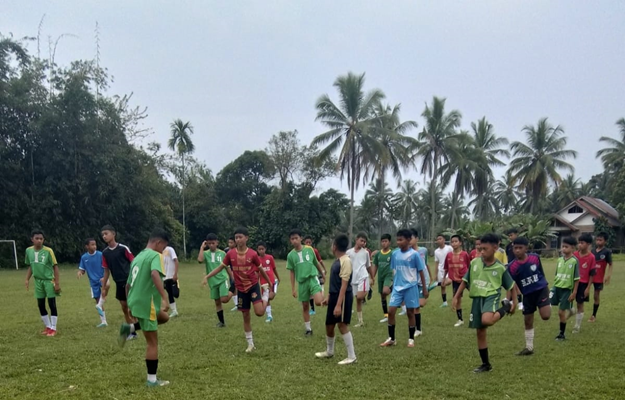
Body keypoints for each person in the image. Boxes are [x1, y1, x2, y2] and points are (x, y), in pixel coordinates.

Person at [452, 233, 516, 373]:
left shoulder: (499, 267)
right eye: (480, 248)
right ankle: (486, 364)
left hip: (491, 296)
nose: (481, 252)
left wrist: (514, 303)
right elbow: (465, 280)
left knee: (486, 320)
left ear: (495, 248)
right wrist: (456, 296)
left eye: (485, 249)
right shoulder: (475, 262)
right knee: (480, 332)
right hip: (477, 298)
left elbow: (511, 285)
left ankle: (505, 308)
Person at [204, 227, 273, 352]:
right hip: (240, 288)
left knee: (259, 313)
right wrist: (207, 276)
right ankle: (250, 344)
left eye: (240, 237)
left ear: (246, 238)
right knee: (245, 315)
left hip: (252, 286)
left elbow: (261, 269)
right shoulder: (230, 254)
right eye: (236, 237)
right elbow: (221, 267)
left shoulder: (252, 254)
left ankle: (266, 293)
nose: (238, 239)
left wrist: (269, 284)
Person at [117, 229, 171, 387]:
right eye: (163, 247)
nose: (163, 251)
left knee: (164, 317)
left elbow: (128, 284)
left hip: (134, 300)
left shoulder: (138, 257)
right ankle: (152, 380)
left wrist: (129, 304)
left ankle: (130, 328)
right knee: (152, 343)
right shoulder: (155, 256)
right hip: (146, 303)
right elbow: (155, 274)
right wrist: (165, 298)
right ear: (158, 243)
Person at [379, 229, 429, 348]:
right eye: (397, 240)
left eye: (401, 240)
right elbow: (394, 270)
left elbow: (421, 271)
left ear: (408, 240)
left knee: (410, 313)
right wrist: (391, 284)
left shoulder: (414, 254)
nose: (398, 242)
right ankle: (392, 338)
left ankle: (411, 339)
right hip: (397, 288)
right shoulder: (395, 254)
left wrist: (425, 288)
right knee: (391, 311)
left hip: (411, 287)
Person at [315, 233, 357, 365]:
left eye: (332, 244)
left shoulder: (346, 261)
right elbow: (335, 283)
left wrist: (339, 305)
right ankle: (329, 351)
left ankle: (352, 356)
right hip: (334, 296)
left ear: (335, 246)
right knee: (329, 325)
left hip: (343, 297)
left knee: (342, 324)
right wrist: (329, 297)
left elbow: (344, 285)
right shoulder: (337, 261)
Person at [506, 237, 551, 356]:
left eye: (520, 248)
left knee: (546, 316)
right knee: (528, 321)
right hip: (527, 294)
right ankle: (529, 348)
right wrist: (509, 300)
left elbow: (541, 272)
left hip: (541, 290)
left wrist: (545, 285)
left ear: (526, 248)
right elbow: (511, 285)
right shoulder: (512, 267)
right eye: (515, 248)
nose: (517, 251)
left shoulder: (534, 258)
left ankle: (546, 302)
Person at [101, 225, 137, 340]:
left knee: (131, 307)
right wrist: (103, 287)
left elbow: (134, 262)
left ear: (113, 234)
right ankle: (132, 332)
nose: (104, 236)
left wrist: (135, 277)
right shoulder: (105, 253)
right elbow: (106, 270)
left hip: (129, 281)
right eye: (103, 234)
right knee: (124, 307)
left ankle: (138, 326)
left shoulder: (123, 248)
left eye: (106, 233)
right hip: (118, 283)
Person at [287, 229, 325, 335]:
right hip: (302, 282)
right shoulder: (290, 255)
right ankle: (308, 329)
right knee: (305, 306)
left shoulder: (309, 250)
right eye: (292, 239)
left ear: (301, 238)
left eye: (296, 238)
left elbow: (316, 263)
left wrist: (322, 273)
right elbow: (292, 272)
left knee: (318, 302)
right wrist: (293, 288)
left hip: (312, 278)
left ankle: (328, 298)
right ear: (290, 241)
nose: (294, 241)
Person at [25, 229, 61, 337]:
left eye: (41, 239)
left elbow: (55, 267)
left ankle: (54, 328)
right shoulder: (28, 251)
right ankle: (48, 326)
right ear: (32, 239)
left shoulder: (49, 251)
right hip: (38, 281)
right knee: (40, 304)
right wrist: (27, 279)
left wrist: (57, 283)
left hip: (49, 281)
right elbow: (31, 266)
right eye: (37, 238)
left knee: (51, 304)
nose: (39, 241)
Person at [198, 233, 233, 327]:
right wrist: (202, 247)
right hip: (212, 282)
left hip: (222, 279)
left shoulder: (222, 253)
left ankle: (233, 290)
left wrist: (233, 279)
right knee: (217, 302)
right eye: (209, 243)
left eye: (213, 243)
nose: (211, 245)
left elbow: (227, 267)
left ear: (217, 242)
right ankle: (222, 322)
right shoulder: (206, 253)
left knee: (224, 299)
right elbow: (200, 260)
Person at [550, 237, 580, 341]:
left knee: (560, 312)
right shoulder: (559, 260)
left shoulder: (575, 261)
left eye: (566, 247)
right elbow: (556, 274)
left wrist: (574, 292)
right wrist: (553, 287)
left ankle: (562, 334)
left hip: (567, 289)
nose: (563, 249)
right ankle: (571, 309)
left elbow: (576, 279)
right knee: (548, 304)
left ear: (572, 248)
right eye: (562, 246)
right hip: (557, 287)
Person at [77, 238, 109, 327]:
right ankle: (103, 321)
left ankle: (100, 303)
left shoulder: (100, 255)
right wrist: (80, 272)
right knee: (98, 300)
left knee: (107, 285)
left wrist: (104, 277)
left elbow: (106, 267)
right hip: (93, 282)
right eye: (92, 245)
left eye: (95, 244)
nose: (94, 246)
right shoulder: (84, 257)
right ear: (87, 246)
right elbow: (82, 270)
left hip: (102, 278)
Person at [442, 234, 470, 327]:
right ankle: (460, 319)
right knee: (458, 300)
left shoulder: (465, 254)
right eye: (452, 242)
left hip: (466, 280)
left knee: (476, 295)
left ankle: (480, 313)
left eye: (456, 241)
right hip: (456, 281)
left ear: (460, 243)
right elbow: (446, 268)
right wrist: (443, 278)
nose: (454, 243)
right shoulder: (449, 255)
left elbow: (468, 266)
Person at [347, 232, 373, 327]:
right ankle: (360, 321)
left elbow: (368, 266)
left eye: (365, 242)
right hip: (353, 279)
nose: (363, 243)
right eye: (361, 240)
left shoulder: (365, 253)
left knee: (360, 297)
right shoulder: (349, 252)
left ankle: (368, 289)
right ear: (356, 239)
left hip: (363, 276)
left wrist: (372, 277)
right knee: (358, 300)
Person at [412, 229, 434, 335]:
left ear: (417, 239)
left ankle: (427, 290)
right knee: (415, 306)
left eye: (411, 238)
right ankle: (418, 329)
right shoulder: (406, 252)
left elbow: (426, 264)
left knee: (421, 304)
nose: (409, 241)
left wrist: (430, 276)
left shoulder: (423, 250)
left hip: (423, 281)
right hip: (412, 282)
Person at [573, 234, 596, 333]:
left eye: (582, 243)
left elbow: (592, 274)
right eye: (579, 242)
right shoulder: (574, 255)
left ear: (588, 244)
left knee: (580, 304)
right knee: (567, 302)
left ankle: (577, 326)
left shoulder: (591, 257)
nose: (580, 245)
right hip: (573, 283)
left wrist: (588, 288)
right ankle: (571, 313)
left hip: (583, 284)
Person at [590, 232, 613, 322]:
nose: (598, 242)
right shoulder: (592, 251)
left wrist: (608, 275)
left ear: (605, 241)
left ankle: (593, 315)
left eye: (600, 240)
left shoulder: (607, 252)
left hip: (599, 278)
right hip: (590, 276)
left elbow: (610, 264)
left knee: (596, 296)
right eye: (597, 240)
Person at [372, 234, 393, 323]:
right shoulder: (378, 254)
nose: (384, 243)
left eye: (386, 241)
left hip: (389, 275)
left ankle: (393, 288)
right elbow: (375, 266)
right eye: (382, 241)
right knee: (383, 296)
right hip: (381, 277)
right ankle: (386, 315)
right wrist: (372, 277)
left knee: (385, 291)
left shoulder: (392, 253)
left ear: (389, 242)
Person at [257, 242, 280, 323]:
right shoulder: (257, 259)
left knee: (270, 297)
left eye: (262, 249)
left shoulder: (270, 257)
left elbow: (274, 268)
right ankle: (269, 316)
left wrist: (278, 277)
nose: (261, 251)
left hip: (271, 281)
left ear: (265, 249)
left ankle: (276, 284)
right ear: (257, 250)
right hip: (263, 283)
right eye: (259, 249)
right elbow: (256, 272)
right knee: (266, 299)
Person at [304, 236, 327, 316]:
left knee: (320, 288)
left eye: (309, 242)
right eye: (307, 242)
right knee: (310, 292)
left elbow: (319, 260)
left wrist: (324, 269)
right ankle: (313, 309)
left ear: (311, 243)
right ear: (304, 243)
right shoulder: (302, 252)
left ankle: (323, 300)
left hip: (317, 273)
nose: (308, 244)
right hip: (309, 274)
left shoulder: (314, 251)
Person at [505, 229, 523, 310]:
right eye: (509, 236)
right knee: (511, 284)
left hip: (518, 267)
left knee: (516, 285)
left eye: (511, 235)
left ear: (516, 234)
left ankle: (519, 301)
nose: (510, 237)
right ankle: (512, 300)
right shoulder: (508, 246)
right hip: (510, 268)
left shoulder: (521, 246)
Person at [434, 234, 453, 307]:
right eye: (437, 239)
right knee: (443, 287)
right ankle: (444, 302)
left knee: (448, 281)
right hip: (441, 270)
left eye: (440, 239)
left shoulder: (449, 248)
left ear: (444, 240)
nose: (438, 240)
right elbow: (436, 263)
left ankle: (436, 284)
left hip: (449, 269)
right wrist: (435, 274)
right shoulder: (436, 251)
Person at [162, 245, 180, 318]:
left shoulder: (169, 249)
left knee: (175, 294)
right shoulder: (160, 252)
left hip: (172, 276)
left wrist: (175, 274)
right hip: (165, 277)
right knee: (169, 294)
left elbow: (176, 261)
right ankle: (174, 311)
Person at [226, 236, 238, 312]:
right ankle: (237, 305)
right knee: (233, 287)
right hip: (231, 271)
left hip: (238, 271)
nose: (230, 244)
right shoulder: (226, 251)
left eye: (231, 243)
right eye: (229, 242)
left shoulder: (238, 251)